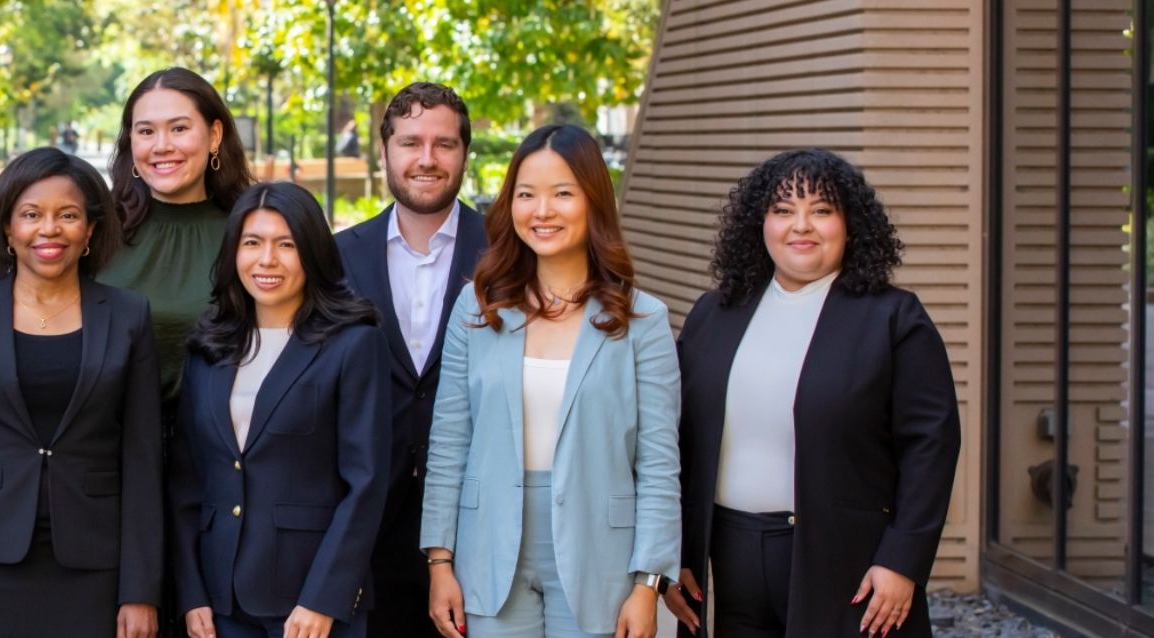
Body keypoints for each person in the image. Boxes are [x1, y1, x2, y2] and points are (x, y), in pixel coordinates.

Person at [660, 149, 961, 638]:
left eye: (821, 210)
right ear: (760, 224)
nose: (802, 226)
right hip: (729, 559)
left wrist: (902, 560)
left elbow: (932, 447)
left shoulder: (893, 319)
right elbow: (679, 441)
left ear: (849, 225)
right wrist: (673, 554)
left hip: (849, 567)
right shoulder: (715, 315)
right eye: (783, 211)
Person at [420, 125, 679, 638]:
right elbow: (450, 442)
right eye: (526, 194)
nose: (542, 211)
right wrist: (439, 561)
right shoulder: (477, 309)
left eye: (563, 193)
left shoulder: (642, 320)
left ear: (594, 201)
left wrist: (648, 584)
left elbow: (658, 462)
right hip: (490, 551)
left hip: (602, 562)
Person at [0, 148, 163, 638]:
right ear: (7, 228)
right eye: (31, 214)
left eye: (68, 215)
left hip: (96, 562)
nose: (48, 229)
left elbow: (143, 461)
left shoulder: (129, 316)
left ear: (91, 229)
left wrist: (141, 591)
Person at [169, 182, 389, 638]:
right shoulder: (208, 347)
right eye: (252, 243)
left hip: (311, 604)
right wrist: (191, 593)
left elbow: (365, 484)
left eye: (286, 245)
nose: (266, 260)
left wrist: (323, 598)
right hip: (220, 602)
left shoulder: (354, 344)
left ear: (312, 253)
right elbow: (187, 481)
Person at [333, 82, 486, 638]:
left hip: (478, 524)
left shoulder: (506, 254)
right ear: (385, 152)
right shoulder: (336, 257)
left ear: (465, 153)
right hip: (367, 525)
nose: (427, 158)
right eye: (411, 142)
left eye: (444, 144)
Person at [97, 67, 258, 415]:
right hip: (110, 449)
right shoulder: (96, 231)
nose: (161, 146)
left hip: (221, 448)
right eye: (146, 131)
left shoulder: (252, 232)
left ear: (214, 135)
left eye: (179, 128)